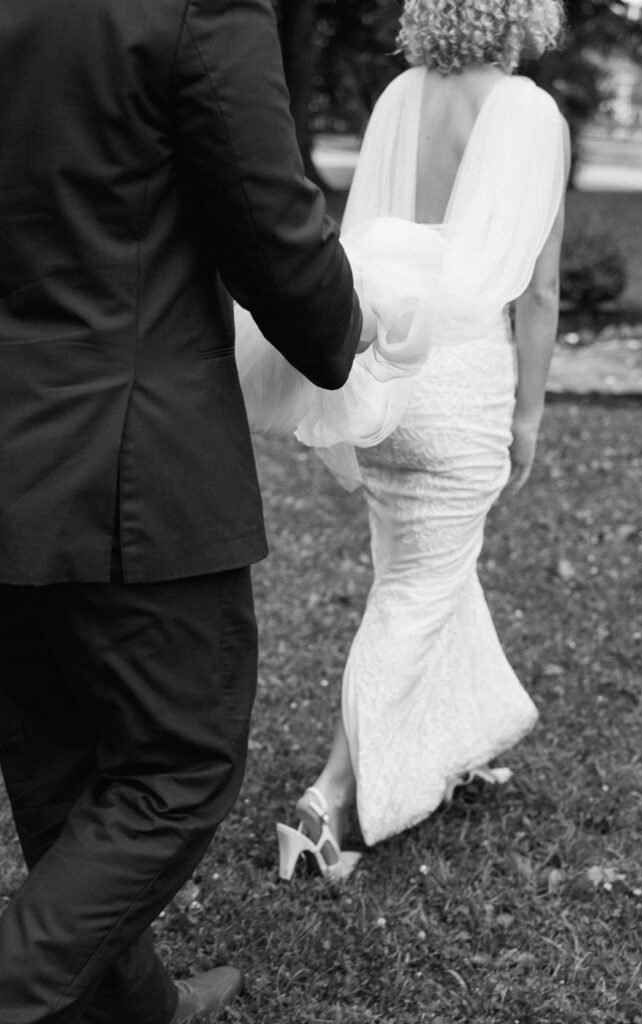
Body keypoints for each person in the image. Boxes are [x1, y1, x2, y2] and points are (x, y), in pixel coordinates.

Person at [0, 1, 366, 1021]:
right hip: (128, 454)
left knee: (56, 757)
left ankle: (136, 1004)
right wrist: (349, 317)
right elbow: (264, 218)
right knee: (180, 765)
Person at [272, 0, 571, 879]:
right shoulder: (528, 111)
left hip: (389, 376)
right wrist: (528, 419)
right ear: (523, 12)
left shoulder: (400, 93)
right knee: (416, 588)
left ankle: (451, 741)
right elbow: (541, 290)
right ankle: (326, 802)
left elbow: (365, 239)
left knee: (427, 572)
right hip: (464, 384)